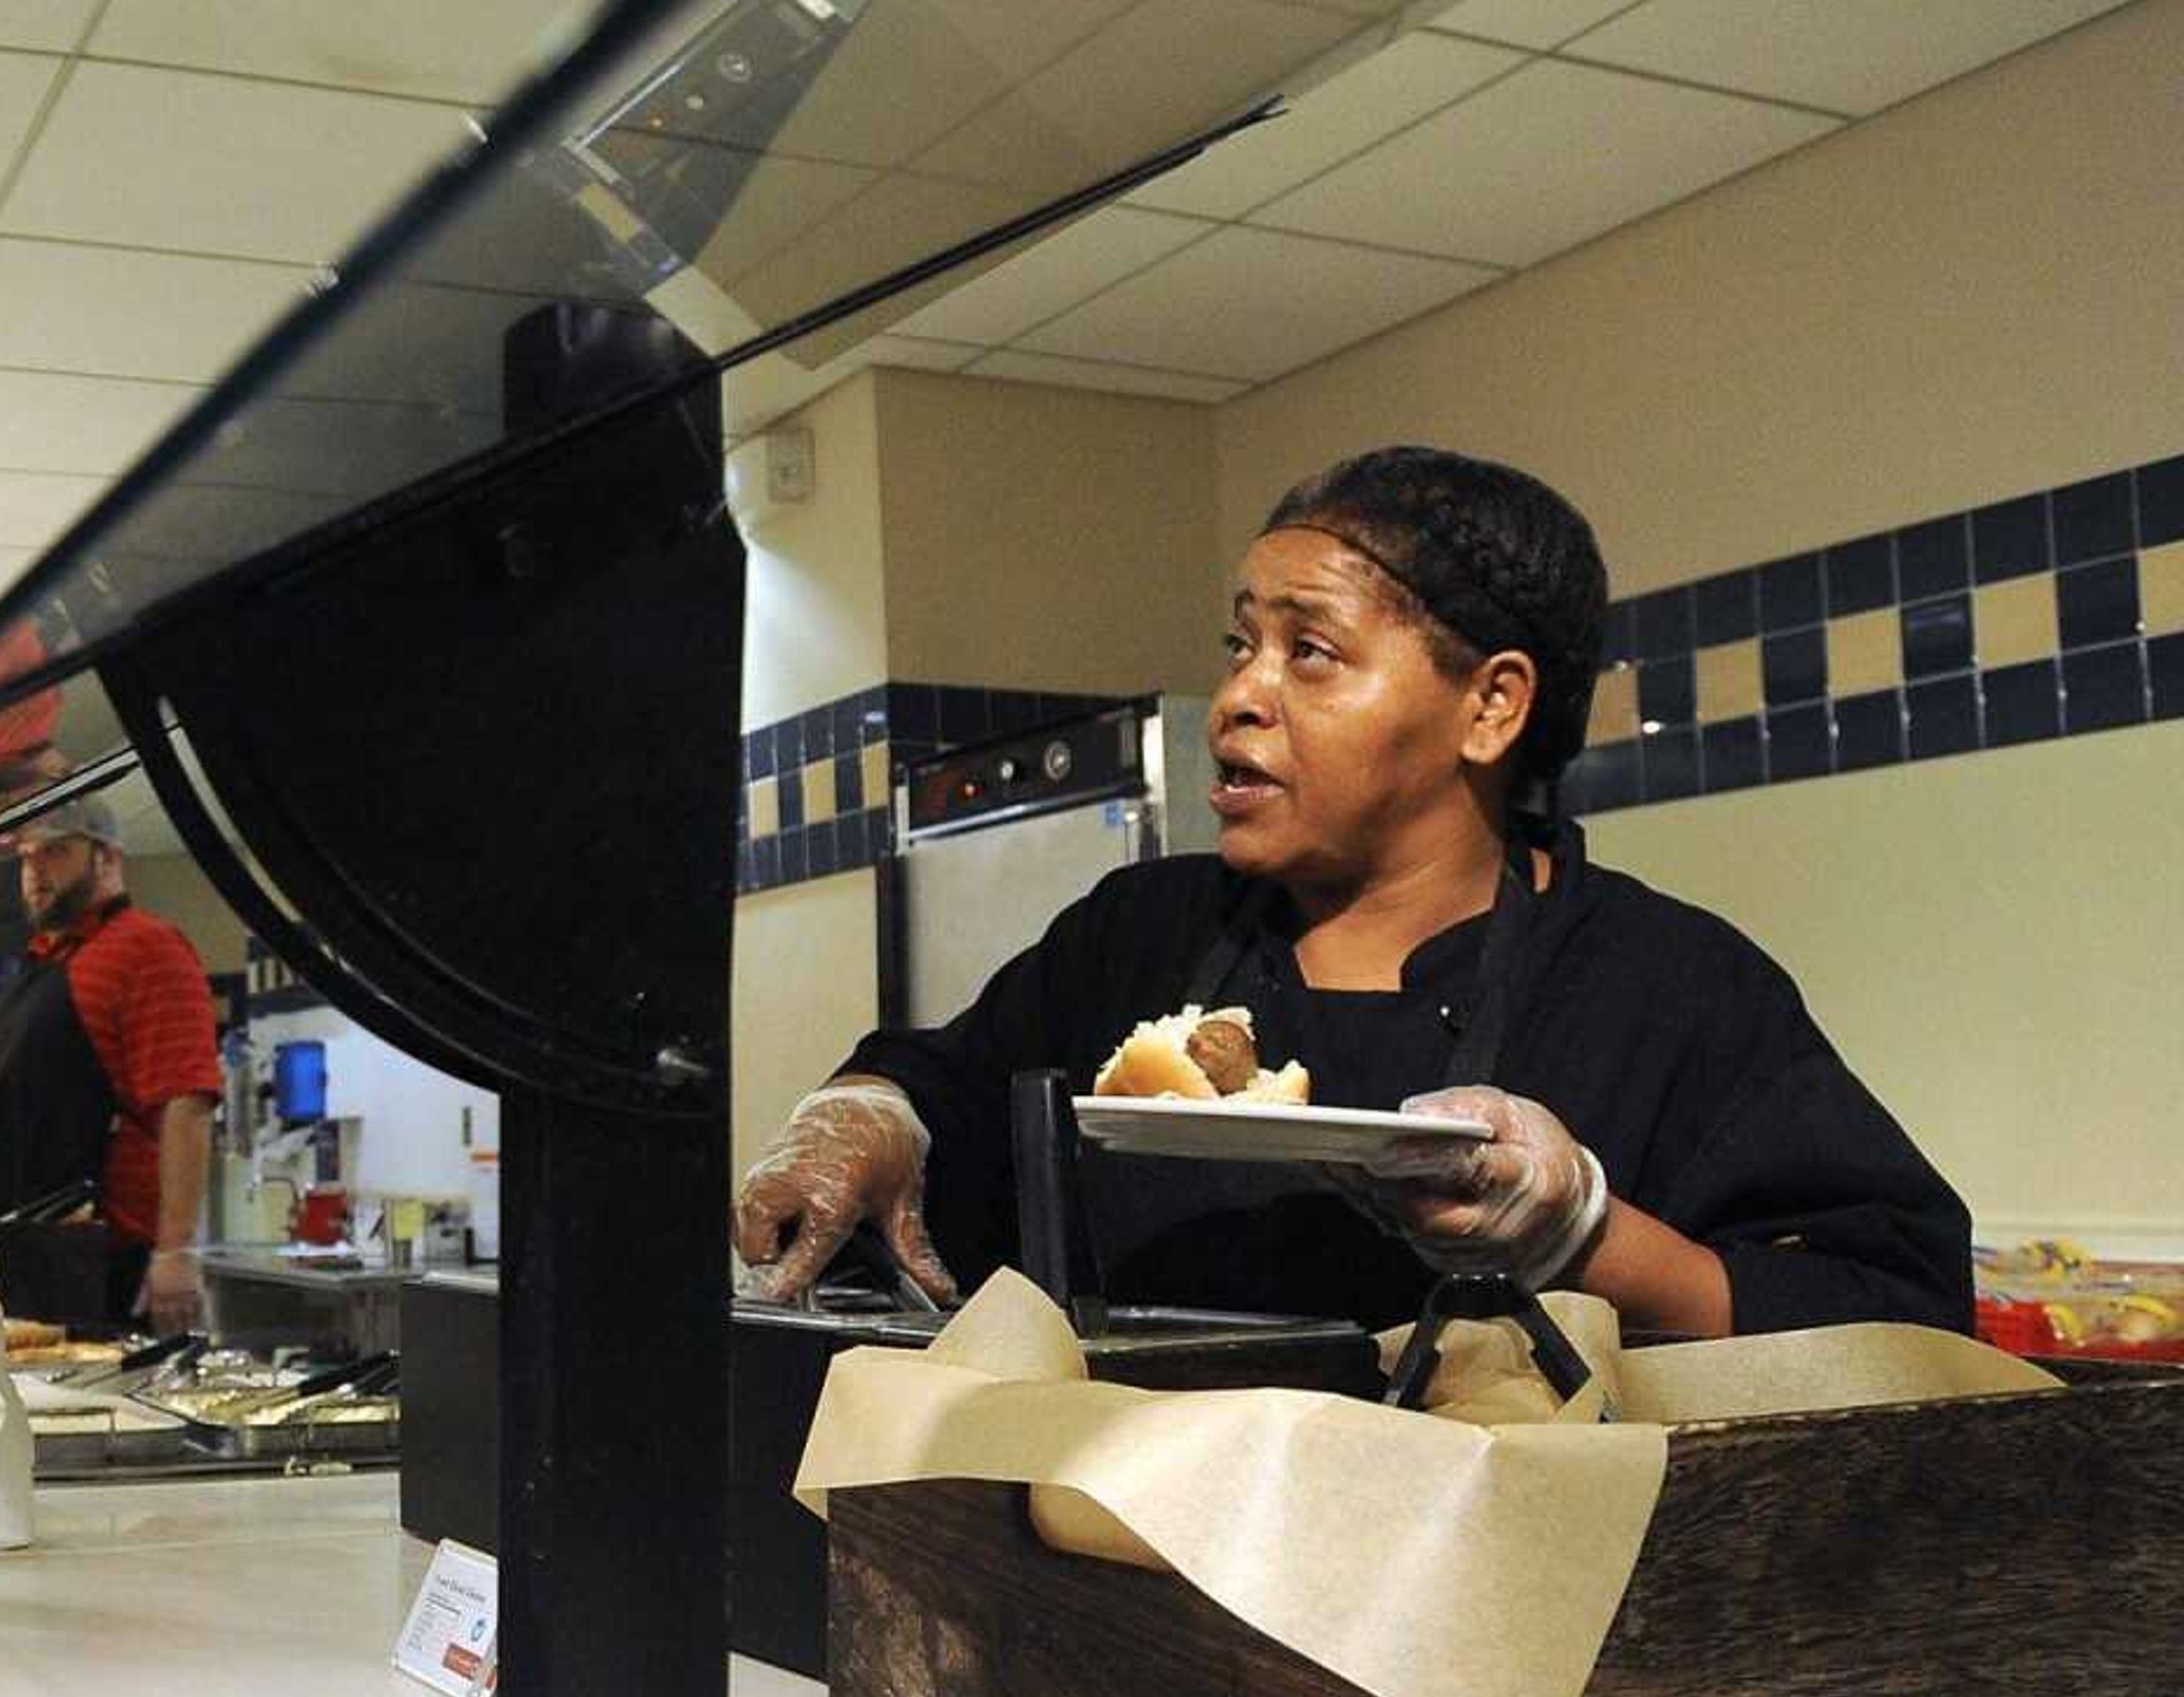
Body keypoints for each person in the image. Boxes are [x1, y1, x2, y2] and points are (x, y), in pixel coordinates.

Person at [735, 445, 1974, 1338]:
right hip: (1128, 1590)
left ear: (1489, 705)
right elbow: (945, 1092)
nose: (1239, 695)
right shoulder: (1144, 933)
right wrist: (866, 1115)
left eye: (1310, 651)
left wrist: (1584, 1235)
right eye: (1241, 643)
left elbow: (1898, 1310)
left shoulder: (1670, 984)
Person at [0, 797, 225, 1336]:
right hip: (16, 1259)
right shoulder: (49, 959)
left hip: (95, 1272)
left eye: (55, 852)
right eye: (28, 859)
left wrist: (174, 1251)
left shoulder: (146, 948)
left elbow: (186, 1103)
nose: (35, 873)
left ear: (107, 858)